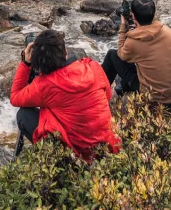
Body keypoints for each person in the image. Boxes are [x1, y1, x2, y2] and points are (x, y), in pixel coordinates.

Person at [10, 28, 120, 161]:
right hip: (110, 147)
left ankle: (61, 164)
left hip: (78, 157)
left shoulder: (44, 86)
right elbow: (107, 96)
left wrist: (25, 63)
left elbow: (15, 97)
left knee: (24, 115)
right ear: (66, 52)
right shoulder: (92, 67)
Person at [101, 0, 171, 107]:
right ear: (154, 14)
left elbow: (121, 54)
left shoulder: (133, 42)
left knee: (111, 55)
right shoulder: (167, 31)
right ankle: (122, 87)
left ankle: (99, 94)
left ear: (133, 17)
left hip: (156, 97)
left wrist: (123, 27)